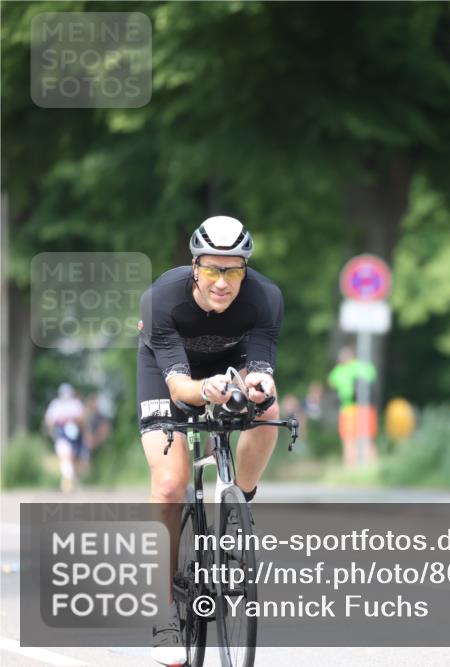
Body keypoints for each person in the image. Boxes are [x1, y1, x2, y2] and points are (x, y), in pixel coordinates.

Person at [136, 215, 283, 664]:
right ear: (195, 266)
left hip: (231, 365)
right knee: (168, 484)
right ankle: (163, 613)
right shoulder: (162, 298)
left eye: (234, 270)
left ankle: (242, 502)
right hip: (169, 376)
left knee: (270, 411)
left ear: (245, 269)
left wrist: (258, 387)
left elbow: (260, 366)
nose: (223, 281)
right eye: (214, 269)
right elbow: (181, 389)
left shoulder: (265, 299)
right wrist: (204, 390)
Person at [328, 345, 378, 467]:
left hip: (348, 408)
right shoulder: (364, 366)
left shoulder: (339, 370)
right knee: (366, 440)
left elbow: (332, 383)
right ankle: (372, 468)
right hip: (366, 408)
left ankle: (350, 468)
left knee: (349, 441)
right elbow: (373, 376)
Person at [43, 383, 86, 493]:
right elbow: (49, 419)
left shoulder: (75, 404)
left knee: (73, 458)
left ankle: (71, 480)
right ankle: (67, 480)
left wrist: (72, 420)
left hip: (74, 434)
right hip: (61, 433)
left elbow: (82, 418)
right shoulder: (56, 404)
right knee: (65, 455)